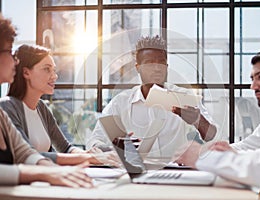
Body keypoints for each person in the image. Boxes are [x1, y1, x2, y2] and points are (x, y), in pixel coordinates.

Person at [175, 1, 260, 199]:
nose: (253, 87)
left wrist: (202, 157)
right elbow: (256, 149)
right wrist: (216, 151)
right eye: (252, 78)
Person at [86, 35, 217, 160]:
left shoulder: (184, 97)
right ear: (138, 68)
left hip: (175, 171)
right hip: (136, 171)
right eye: (149, 63)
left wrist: (198, 120)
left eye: (161, 63)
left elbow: (211, 136)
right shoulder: (120, 103)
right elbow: (94, 142)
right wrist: (115, 149)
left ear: (166, 66)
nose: (157, 68)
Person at [0, 13, 93, 187]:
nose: (15, 60)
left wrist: (58, 171)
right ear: (26, 73)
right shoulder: (7, 106)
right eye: (9, 51)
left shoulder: (9, 114)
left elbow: (26, 154)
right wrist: (49, 173)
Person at [0, 44, 120, 167]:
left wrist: (89, 154)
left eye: (54, 70)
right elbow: (28, 155)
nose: (54, 76)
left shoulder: (41, 107)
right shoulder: (7, 106)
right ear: (26, 72)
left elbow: (66, 148)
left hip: (46, 179)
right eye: (47, 69)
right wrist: (89, 157)